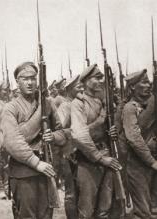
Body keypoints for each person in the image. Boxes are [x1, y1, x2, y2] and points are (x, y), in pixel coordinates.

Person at [0, 62, 66, 219]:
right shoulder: (11, 108)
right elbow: (12, 141)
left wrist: (53, 136)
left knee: (46, 215)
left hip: (47, 167)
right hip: (23, 171)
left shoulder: (47, 103)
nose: (30, 83)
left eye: (33, 79)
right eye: (25, 79)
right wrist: (36, 163)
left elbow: (62, 132)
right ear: (17, 81)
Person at [71, 64, 121, 219]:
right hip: (88, 161)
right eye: (97, 78)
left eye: (101, 77)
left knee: (105, 208)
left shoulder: (103, 102)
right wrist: (100, 158)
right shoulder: (79, 104)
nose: (101, 81)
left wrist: (112, 132)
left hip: (107, 155)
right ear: (85, 81)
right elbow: (79, 135)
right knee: (87, 209)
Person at [121, 69, 157, 219]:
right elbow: (134, 138)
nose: (148, 85)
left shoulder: (152, 102)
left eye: (149, 82)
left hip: (151, 160)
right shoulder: (130, 108)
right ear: (133, 87)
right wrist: (152, 161)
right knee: (143, 211)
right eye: (143, 82)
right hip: (137, 163)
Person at [56, 75, 83, 219]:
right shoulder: (66, 106)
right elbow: (59, 131)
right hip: (68, 154)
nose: (82, 89)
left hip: (81, 153)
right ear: (70, 89)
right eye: (78, 87)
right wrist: (74, 132)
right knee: (71, 192)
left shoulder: (78, 103)